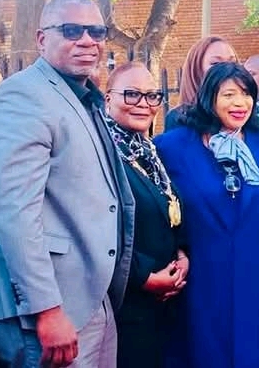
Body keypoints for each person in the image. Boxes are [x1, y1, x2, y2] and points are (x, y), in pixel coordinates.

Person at [0, 0, 135, 367]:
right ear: (42, 39)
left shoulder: (81, 96)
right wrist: (46, 309)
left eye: (96, 31)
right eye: (72, 30)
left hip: (92, 298)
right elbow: (14, 212)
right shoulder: (23, 95)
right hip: (50, 310)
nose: (87, 41)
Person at [154, 62, 259, 367]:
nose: (239, 103)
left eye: (246, 94)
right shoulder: (172, 147)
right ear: (209, 98)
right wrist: (175, 251)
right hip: (203, 278)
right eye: (229, 94)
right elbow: (157, 206)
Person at [104, 62, 188, 368]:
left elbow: (169, 211)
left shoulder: (149, 153)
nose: (144, 103)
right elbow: (100, 227)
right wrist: (144, 278)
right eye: (132, 94)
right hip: (126, 305)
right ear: (108, 99)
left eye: (152, 95)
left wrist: (182, 254)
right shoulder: (102, 153)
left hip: (162, 307)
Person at [164, 36, 237, 131]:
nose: (227, 68)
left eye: (232, 62)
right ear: (196, 70)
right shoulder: (179, 118)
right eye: (215, 63)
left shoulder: (248, 113)